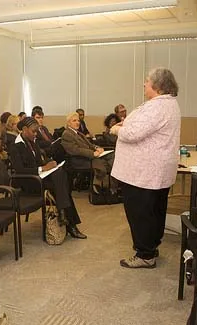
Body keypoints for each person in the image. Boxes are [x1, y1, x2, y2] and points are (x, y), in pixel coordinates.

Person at [110, 68, 180, 269]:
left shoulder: (157, 107)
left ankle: (145, 254)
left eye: (147, 81)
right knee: (155, 211)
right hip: (155, 172)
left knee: (140, 212)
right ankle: (151, 247)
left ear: (157, 86)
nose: (144, 84)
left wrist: (117, 129)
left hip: (143, 174)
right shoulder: (168, 104)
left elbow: (132, 134)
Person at [9, 117, 86, 239]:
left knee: (60, 175)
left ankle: (65, 215)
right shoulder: (15, 146)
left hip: (39, 178)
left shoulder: (32, 142)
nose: (35, 134)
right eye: (33, 132)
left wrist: (51, 163)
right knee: (62, 186)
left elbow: (40, 161)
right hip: (27, 181)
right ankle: (70, 223)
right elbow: (19, 170)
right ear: (24, 129)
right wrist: (42, 169)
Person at [61, 112, 115, 193]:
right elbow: (75, 150)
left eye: (78, 121)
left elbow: (90, 144)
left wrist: (97, 148)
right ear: (68, 123)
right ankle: (103, 184)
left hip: (88, 156)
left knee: (113, 156)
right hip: (79, 160)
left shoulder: (78, 133)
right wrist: (92, 153)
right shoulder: (67, 134)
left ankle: (110, 182)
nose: (77, 123)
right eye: (74, 121)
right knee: (103, 162)